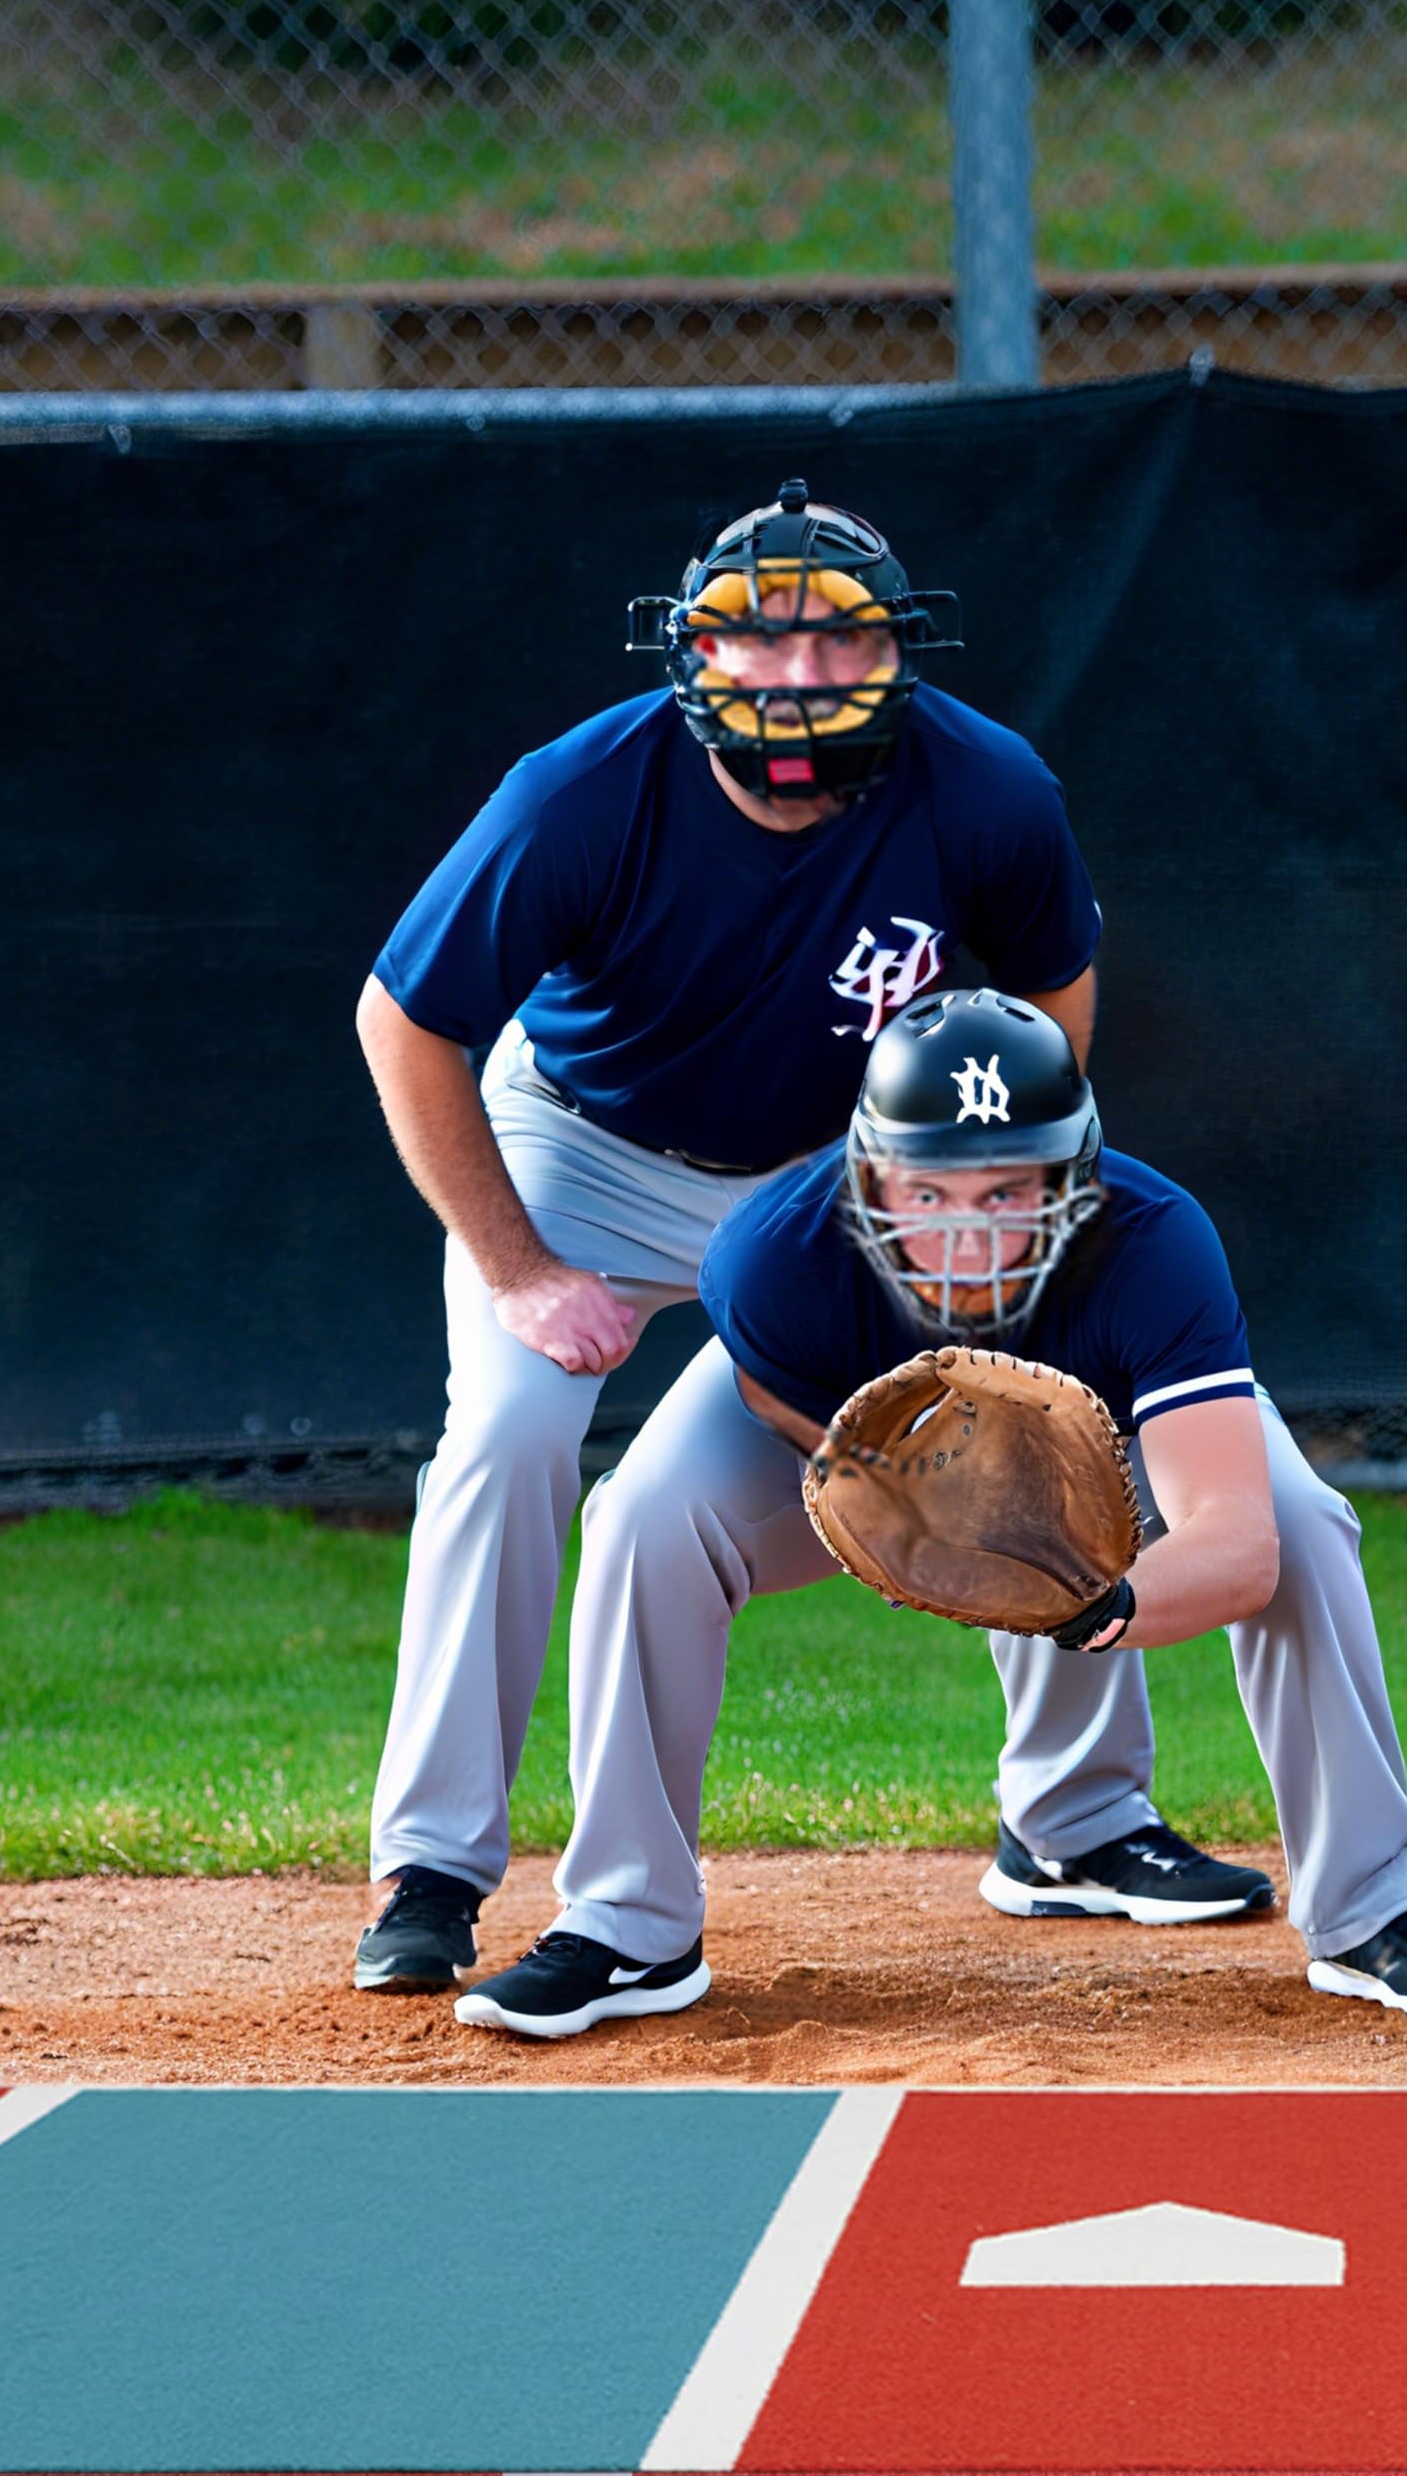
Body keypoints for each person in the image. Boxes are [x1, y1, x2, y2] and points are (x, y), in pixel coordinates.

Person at [352, 484, 1264, 1994]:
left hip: (851, 1172)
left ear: (896, 658)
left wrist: (983, 1201)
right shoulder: (576, 793)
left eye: (829, 645)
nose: (788, 678)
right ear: (688, 660)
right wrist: (521, 1270)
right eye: (748, 642)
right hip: (583, 1147)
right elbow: (405, 1024)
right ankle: (434, 1866)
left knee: (1026, 1415)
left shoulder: (987, 786)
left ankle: (1078, 1824)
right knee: (506, 1436)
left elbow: (1054, 1008)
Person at [452, 990, 1407, 2038]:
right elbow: (784, 1407)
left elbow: (1238, 1544)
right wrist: (910, 1498)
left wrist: (1089, 1603)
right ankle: (627, 1921)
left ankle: (1376, 1909)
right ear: (868, 1175)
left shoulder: (1151, 1241)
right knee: (642, 1513)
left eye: (1007, 1194)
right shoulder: (775, 1253)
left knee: (1305, 1523)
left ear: (1073, 1176)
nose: (966, 1230)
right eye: (932, 1192)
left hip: (1108, 1415)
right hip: (864, 1429)